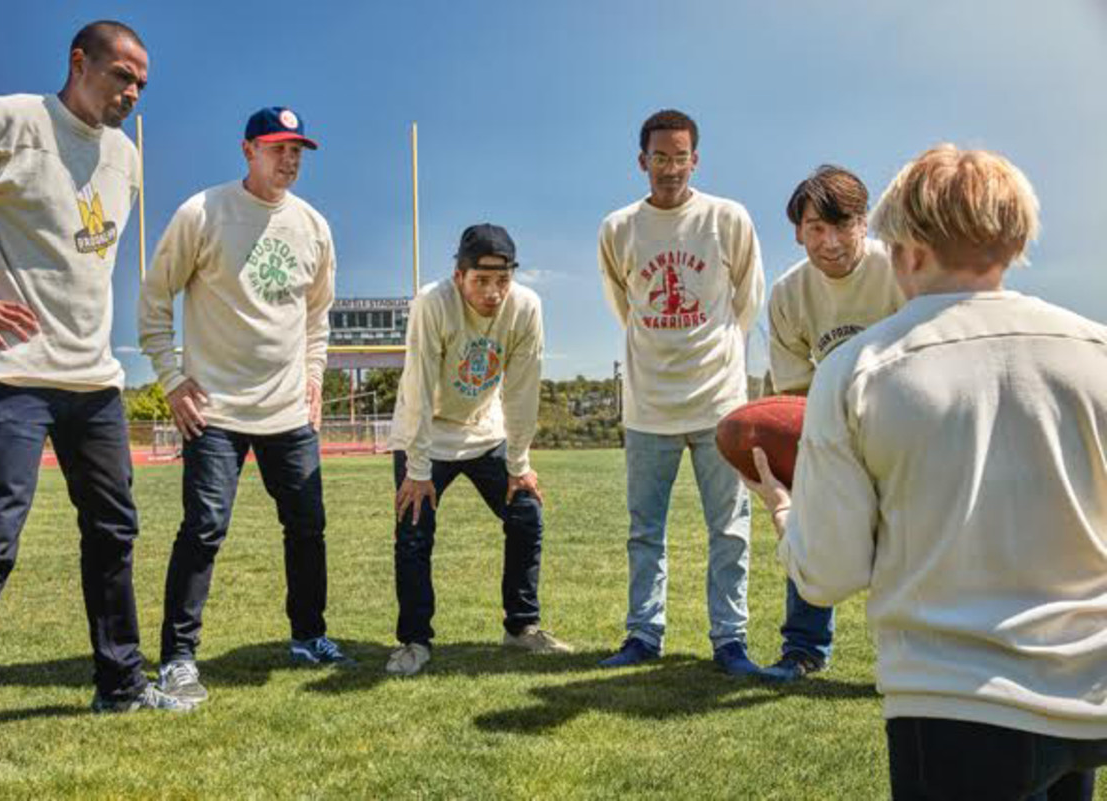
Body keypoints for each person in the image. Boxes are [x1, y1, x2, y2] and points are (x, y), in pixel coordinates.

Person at [745, 144, 1107, 799]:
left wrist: (783, 508)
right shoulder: (1096, 349)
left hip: (952, 700)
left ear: (904, 248)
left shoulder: (856, 369)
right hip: (1088, 690)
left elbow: (829, 573)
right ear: (1016, 237)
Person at [0, 20, 188, 801]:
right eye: (121, 73)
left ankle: (121, 679)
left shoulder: (126, 157)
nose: (131, 91)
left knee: (114, 532)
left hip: (93, 382)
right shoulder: (10, 122)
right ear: (78, 61)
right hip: (14, 373)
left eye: (142, 83)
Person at [138, 106, 346, 705]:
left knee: (307, 527)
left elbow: (317, 316)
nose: (290, 159)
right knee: (204, 529)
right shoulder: (203, 212)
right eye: (278, 147)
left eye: (298, 150)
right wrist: (172, 380)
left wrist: (313, 377)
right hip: (216, 409)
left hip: (287, 411)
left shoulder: (314, 226)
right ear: (248, 150)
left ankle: (308, 635)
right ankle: (178, 656)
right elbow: (155, 298)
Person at [597, 109, 765, 674]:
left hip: (719, 403)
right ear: (642, 162)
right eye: (660, 157)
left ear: (696, 158)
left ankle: (731, 641)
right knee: (645, 531)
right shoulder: (618, 227)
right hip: (648, 407)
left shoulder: (728, 218)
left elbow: (748, 300)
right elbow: (624, 306)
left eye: (680, 156)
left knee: (730, 531)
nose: (671, 168)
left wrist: (716, 354)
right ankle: (644, 635)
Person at [386, 223, 571, 677]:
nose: (493, 292)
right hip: (425, 431)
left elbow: (523, 390)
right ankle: (414, 640)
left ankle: (521, 627)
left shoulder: (526, 307)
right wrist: (418, 467)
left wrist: (519, 463)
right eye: (481, 281)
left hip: (485, 430)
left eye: (502, 280)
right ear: (459, 276)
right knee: (414, 531)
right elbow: (418, 385)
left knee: (526, 513)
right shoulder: (433, 303)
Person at [761, 165, 904, 683]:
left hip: (906, 427)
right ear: (799, 231)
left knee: (913, 542)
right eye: (816, 229)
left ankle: (915, 653)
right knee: (810, 526)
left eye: (842, 225)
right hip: (831, 428)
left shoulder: (901, 270)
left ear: (865, 222)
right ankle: (803, 650)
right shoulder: (787, 294)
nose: (831, 242)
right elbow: (793, 392)